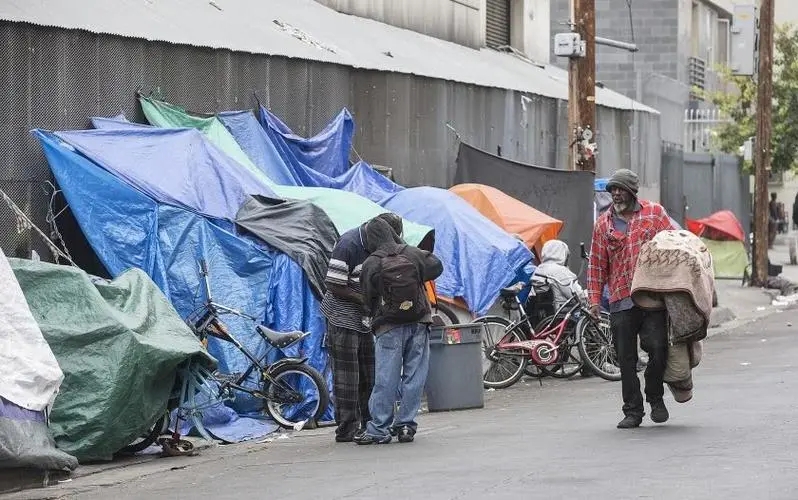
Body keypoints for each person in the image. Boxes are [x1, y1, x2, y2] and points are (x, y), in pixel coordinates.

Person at [587, 169, 674, 429]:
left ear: (632, 191)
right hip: (620, 298)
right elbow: (596, 265)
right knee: (625, 358)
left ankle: (655, 397)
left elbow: (675, 245)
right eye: (612, 189)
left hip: (653, 296)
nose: (615, 193)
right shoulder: (604, 223)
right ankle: (632, 411)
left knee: (658, 349)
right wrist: (593, 299)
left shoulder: (654, 214)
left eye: (620, 189)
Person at [354, 218, 443, 445]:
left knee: (386, 377)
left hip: (388, 326)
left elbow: (366, 297)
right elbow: (437, 266)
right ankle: (405, 426)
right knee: (414, 375)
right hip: (419, 320)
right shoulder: (412, 254)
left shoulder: (371, 263)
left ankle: (379, 429)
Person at [321, 212, 404, 443]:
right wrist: (364, 299)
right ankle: (347, 428)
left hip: (366, 317)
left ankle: (372, 423)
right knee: (348, 376)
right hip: (343, 315)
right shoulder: (348, 244)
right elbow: (333, 284)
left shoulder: (382, 244)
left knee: (370, 373)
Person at [532, 239, 585, 309]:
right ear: (562, 254)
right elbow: (578, 297)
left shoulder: (538, 269)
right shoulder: (560, 271)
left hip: (544, 314)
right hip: (564, 311)